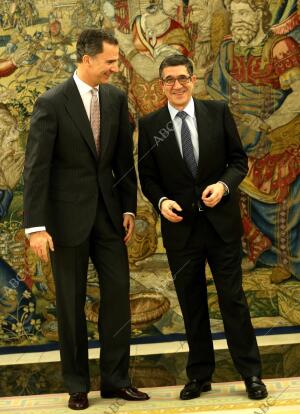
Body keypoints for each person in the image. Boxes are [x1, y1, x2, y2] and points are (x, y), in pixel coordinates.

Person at [23, 29, 149, 410]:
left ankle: (116, 380)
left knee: (116, 299)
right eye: (109, 61)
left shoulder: (115, 98)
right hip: (64, 223)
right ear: (86, 59)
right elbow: (36, 170)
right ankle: (77, 385)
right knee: (71, 303)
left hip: (109, 219)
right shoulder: (51, 103)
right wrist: (36, 228)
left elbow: (123, 163)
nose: (115, 67)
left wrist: (128, 209)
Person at [138, 54, 268, 401]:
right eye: (169, 80)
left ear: (193, 80)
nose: (176, 85)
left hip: (221, 228)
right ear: (161, 84)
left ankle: (251, 373)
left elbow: (238, 162)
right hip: (181, 231)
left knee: (233, 301)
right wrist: (162, 203)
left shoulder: (217, 112)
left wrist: (224, 186)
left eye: (182, 78)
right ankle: (199, 376)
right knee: (191, 304)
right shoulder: (150, 125)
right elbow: (147, 178)